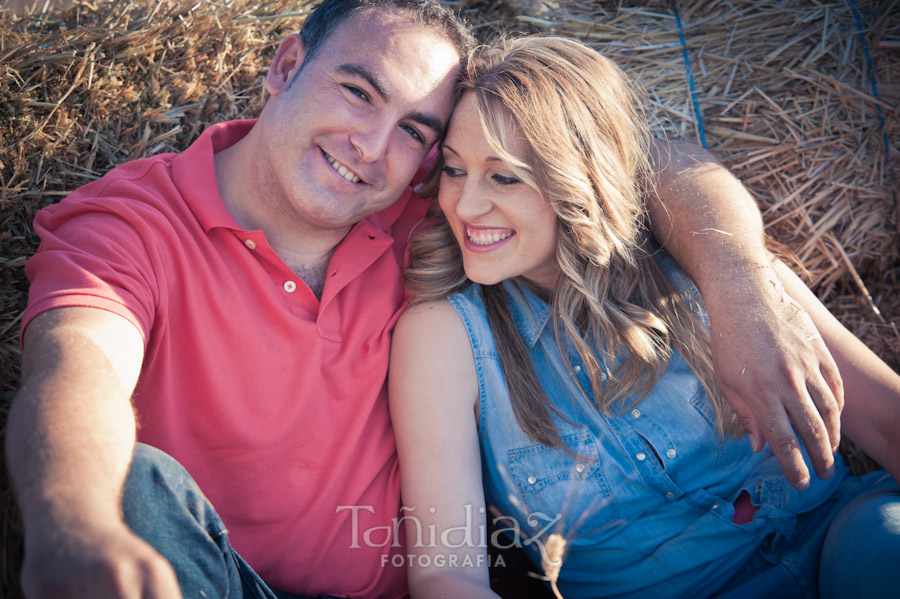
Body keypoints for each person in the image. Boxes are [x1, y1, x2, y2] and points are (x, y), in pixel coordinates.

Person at [4, 1, 850, 597]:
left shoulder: (435, 207)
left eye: (417, 130)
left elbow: (638, 160)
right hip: (221, 582)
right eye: (358, 91)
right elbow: (75, 371)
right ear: (286, 65)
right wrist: (74, 522)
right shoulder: (137, 223)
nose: (374, 148)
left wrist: (740, 288)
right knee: (131, 486)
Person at [389, 35, 900, 599]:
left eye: (504, 176)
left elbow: (887, 421)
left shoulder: (703, 257)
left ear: (579, 180)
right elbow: (446, 572)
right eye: (455, 171)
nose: (464, 205)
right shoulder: (446, 336)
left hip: (834, 538)